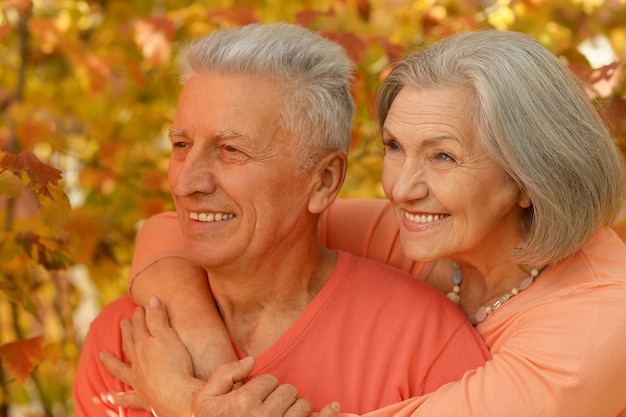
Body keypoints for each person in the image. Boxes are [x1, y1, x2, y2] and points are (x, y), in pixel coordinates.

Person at [105, 29, 626, 417]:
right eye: (396, 148)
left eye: (443, 157)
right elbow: (182, 227)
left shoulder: (599, 328)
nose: (401, 188)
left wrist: (186, 401)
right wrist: (207, 346)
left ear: (530, 178)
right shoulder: (432, 233)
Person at [72, 23, 491, 417]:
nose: (186, 181)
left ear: (324, 181)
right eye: (181, 145)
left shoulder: (425, 344)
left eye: (231, 150)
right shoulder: (129, 340)